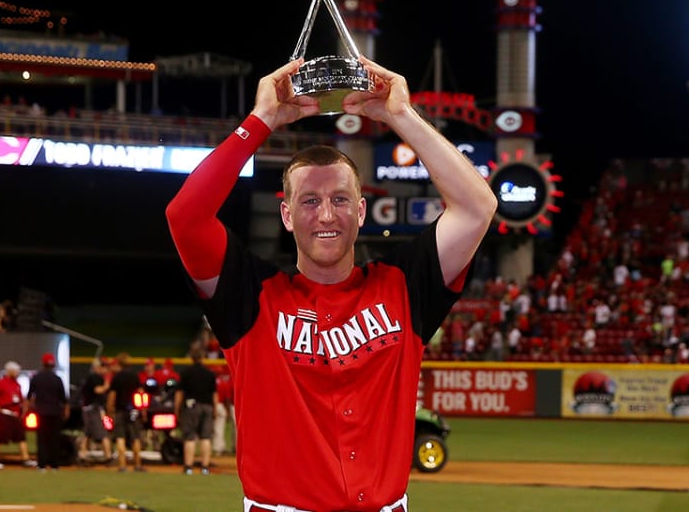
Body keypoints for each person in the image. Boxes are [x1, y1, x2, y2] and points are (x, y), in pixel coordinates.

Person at [165, 56, 497, 511]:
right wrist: (261, 120)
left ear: (361, 212)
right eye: (309, 201)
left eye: (341, 199)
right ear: (286, 215)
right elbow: (185, 218)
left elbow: (478, 208)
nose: (326, 215)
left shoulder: (403, 284)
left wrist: (400, 116)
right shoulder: (248, 294)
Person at [174, 341, 218, 475]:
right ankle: (205, 467)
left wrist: (177, 409)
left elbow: (179, 393)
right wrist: (215, 409)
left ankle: (188, 467)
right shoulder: (210, 374)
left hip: (191, 406)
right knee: (206, 437)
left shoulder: (186, 373)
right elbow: (214, 394)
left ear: (192, 357)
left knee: (190, 437)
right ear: (203, 357)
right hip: (207, 406)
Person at [0, 361, 36, 469]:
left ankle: (25, 459)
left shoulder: (17, 384)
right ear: (10, 371)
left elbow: (20, 400)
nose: (17, 373)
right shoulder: (1, 383)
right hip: (4, 413)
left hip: (15, 415)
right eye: (16, 371)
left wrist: (24, 408)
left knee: (21, 437)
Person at [27, 352, 69, 470]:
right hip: (55, 412)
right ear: (53, 364)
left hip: (41, 412)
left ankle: (42, 464)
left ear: (43, 363)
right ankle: (54, 464)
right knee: (54, 438)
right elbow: (63, 399)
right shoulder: (57, 379)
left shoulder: (36, 377)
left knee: (42, 438)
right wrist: (65, 411)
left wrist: (28, 409)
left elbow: (30, 395)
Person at [105, 353, 146, 473]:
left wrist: (109, 411)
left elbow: (112, 396)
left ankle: (122, 465)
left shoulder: (117, 378)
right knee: (135, 438)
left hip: (119, 411)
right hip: (133, 410)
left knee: (120, 437)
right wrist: (142, 410)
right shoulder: (135, 377)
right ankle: (138, 464)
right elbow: (140, 394)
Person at [77, 357, 113, 465]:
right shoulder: (94, 377)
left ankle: (82, 456)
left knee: (87, 434)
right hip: (93, 409)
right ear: (98, 367)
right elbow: (97, 390)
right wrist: (107, 385)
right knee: (102, 433)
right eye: (104, 366)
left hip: (89, 408)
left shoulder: (93, 377)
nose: (106, 369)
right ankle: (108, 456)